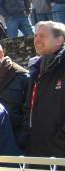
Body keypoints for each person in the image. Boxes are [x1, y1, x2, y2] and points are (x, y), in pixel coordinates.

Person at [26, 21, 65, 157]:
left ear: (59, 40)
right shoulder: (36, 69)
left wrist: (60, 141)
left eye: (42, 36)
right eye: (36, 35)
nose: (37, 40)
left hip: (59, 153)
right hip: (37, 150)